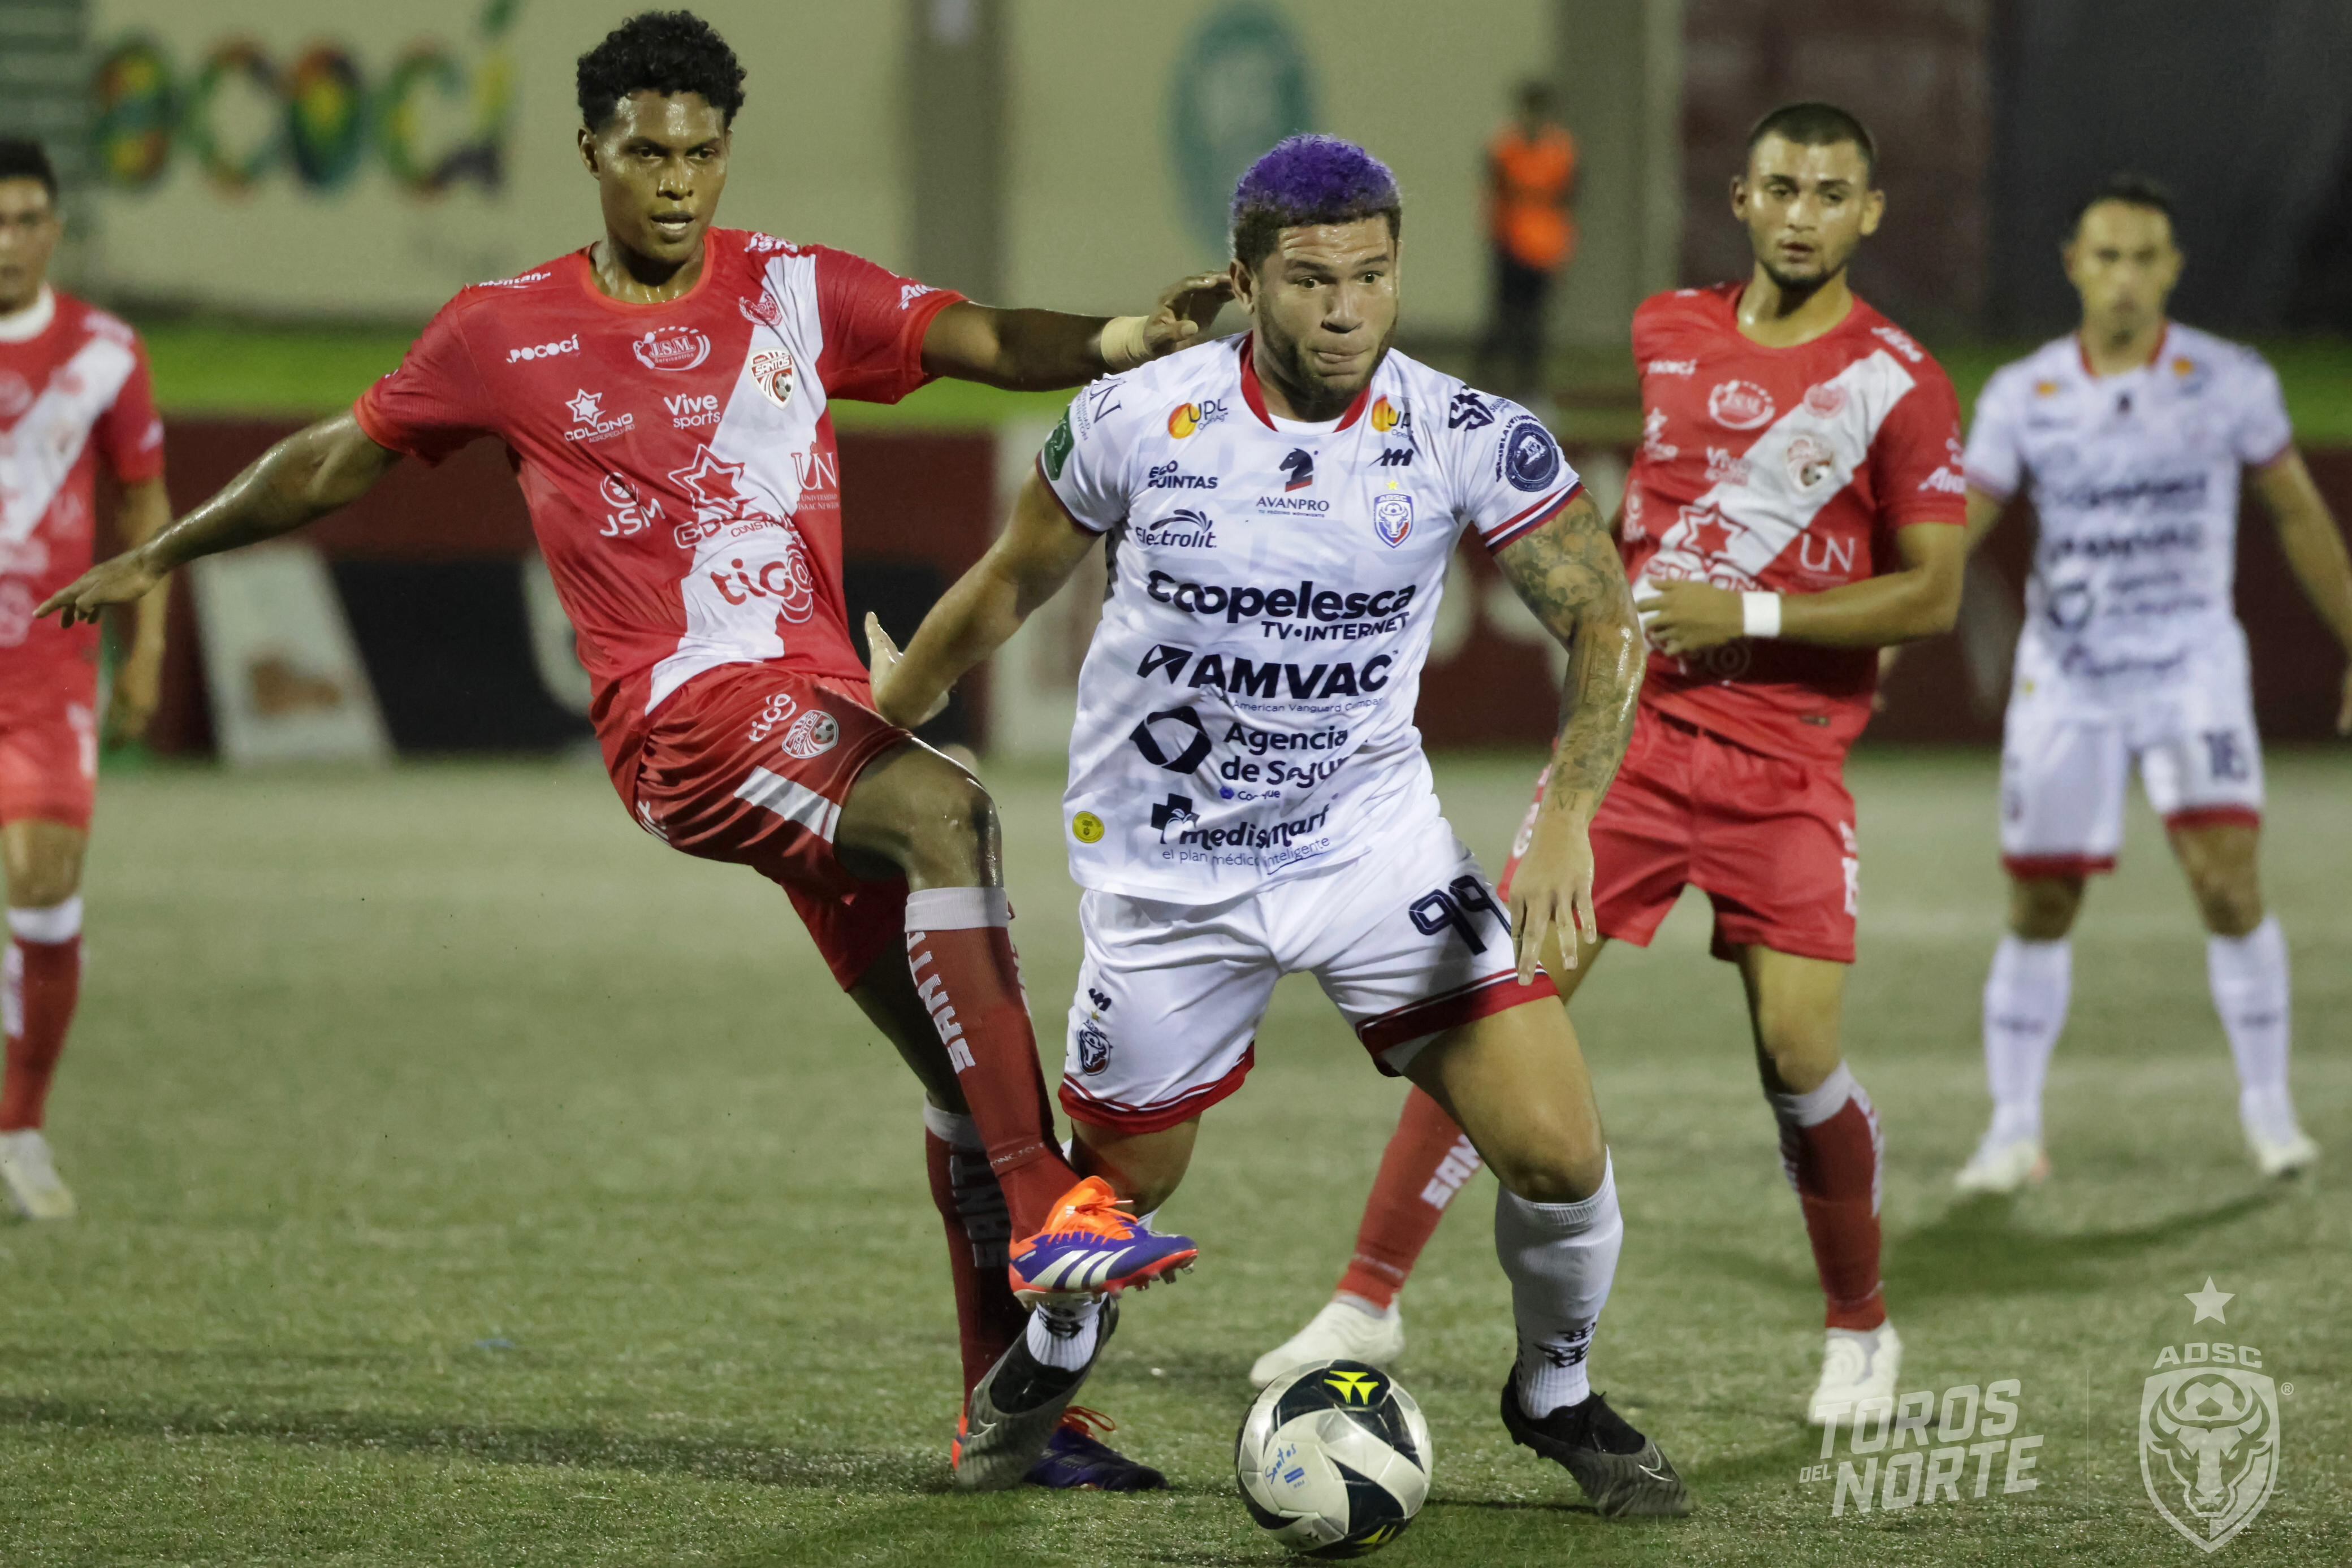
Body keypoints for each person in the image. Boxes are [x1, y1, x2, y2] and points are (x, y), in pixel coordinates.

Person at [41, 11, 1229, 1491]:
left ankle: (1017, 1426)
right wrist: (162, 550)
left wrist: (1136, 338)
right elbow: (330, 459)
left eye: (701, 152)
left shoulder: (796, 287)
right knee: (951, 815)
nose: (677, 181)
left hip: (812, 721)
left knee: (957, 1065)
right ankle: (1053, 1203)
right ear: (592, 153)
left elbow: (978, 338)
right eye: (646, 152)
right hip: (689, 725)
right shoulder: (502, 329)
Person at [868, 133, 1690, 1518]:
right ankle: (1057, 1347)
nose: (1347, 307)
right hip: (1168, 876)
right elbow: (1011, 583)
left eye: (1372, 275)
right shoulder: (1138, 419)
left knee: (1558, 1147)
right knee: (1115, 1189)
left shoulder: (1461, 431)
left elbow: (1604, 613)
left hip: (1372, 854)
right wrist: (891, 707)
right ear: (1245, 282)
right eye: (1311, 279)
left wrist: (1565, 811)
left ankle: (1553, 1395)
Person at [1254, 103, 1970, 1428]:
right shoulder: (1663, 331)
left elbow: (1931, 596)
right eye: (1778, 187)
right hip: (1636, 746)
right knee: (1493, 1003)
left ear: (1868, 213)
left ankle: (1860, 1326)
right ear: (1741, 200)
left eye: (1830, 192)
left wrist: (1745, 616)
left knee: (1798, 1056)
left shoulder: (1904, 383)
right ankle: (1368, 1293)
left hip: (1791, 765)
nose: (1801, 212)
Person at [1949, 174, 2352, 1192]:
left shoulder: (2229, 380)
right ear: (2075, 265)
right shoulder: (2025, 391)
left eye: (2145, 258)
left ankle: (2269, 1111)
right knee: (2043, 903)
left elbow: (2299, 513)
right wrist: (1876, 636)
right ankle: (2012, 1127)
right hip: (2069, 677)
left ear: (2171, 268)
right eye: (2107, 256)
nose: (2125, 277)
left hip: (2190, 670)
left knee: (2227, 883)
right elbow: (1958, 528)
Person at [0, 139, 172, 1220]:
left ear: (54, 228)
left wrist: (146, 651)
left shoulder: (105, 354)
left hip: (46, 668)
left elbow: (145, 513)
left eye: (24, 219)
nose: (7, 240)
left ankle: (20, 1127)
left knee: (46, 880)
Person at [1477, 80, 1578, 406]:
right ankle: (1487, 382)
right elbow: (1495, 194)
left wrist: (1563, 247)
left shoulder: (1562, 151)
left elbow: (1569, 199)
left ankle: (1528, 388)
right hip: (1510, 243)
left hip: (1545, 247)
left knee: (1535, 322)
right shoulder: (1504, 148)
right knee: (1504, 317)